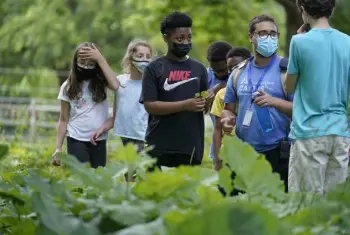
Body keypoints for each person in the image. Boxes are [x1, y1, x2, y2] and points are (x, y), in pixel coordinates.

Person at [221, 14, 293, 191]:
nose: (268, 38)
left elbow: (302, 111)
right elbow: (228, 108)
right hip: (243, 153)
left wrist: (274, 102)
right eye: (262, 33)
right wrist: (227, 118)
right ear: (251, 37)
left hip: (278, 152)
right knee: (232, 202)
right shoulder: (238, 72)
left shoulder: (288, 70)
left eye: (273, 34)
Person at [285, 0, 350, 194]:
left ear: (304, 10)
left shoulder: (299, 42)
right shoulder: (348, 42)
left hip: (309, 133)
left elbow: (288, 86)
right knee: (333, 210)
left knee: (306, 206)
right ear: (331, 10)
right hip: (340, 133)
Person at [140, 11, 209, 168]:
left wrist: (207, 102)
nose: (186, 42)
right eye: (180, 38)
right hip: (159, 147)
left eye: (189, 38)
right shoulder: (154, 68)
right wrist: (185, 105)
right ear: (166, 38)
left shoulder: (199, 69)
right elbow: (150, 105)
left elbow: (203, 104)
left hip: (190, 147)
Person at [52, 42, 120, 168]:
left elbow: (116, 86)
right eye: (82, 63)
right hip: (75, 138)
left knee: (97, 180)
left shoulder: (103, 83)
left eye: (91, 63)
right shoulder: (67, 87)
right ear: (75, 62)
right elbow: (63, 119)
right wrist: (58, 148)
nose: (85, 67)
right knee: (80, 179)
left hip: (99, 139)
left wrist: (100, 58)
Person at [91, 40, 152, 153]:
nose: (145, 59)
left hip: (144, 139)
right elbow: (116, 116)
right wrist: (102, 129)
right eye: (140, 55)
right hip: (126, 138)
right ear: (130, 58)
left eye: (148, 56)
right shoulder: (121, 81)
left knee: (143, 169)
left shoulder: (151, 84)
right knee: (132, 169)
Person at [211, 47, 251, 171]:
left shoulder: (257, 91)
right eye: (230, 68)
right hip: (228, 154)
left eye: (238, 66)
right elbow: (217, 129)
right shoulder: (221, 94)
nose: (234, 71)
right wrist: (217, 159)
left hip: (251, 151)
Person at [206, 41, 233, 161]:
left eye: (223, 70)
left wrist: (220, 87)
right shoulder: (207, 75)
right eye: (215, 70)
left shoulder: (237, 73)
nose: (219, 73)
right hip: (219, 140)